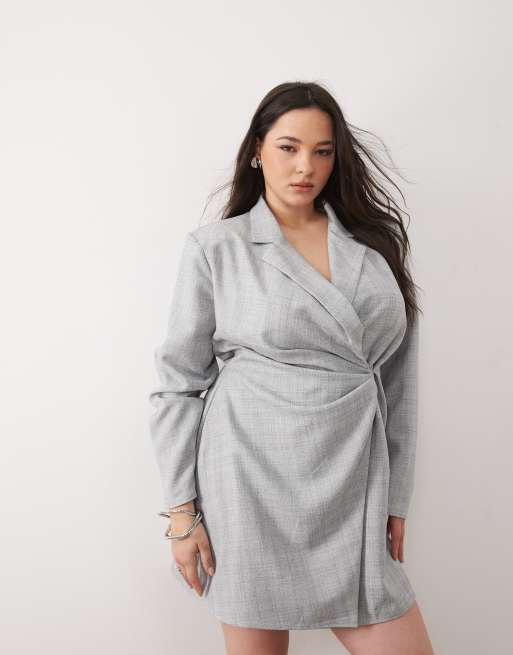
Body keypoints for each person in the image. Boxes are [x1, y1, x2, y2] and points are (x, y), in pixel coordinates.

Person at [148, 81, 435, 655]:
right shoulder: (217, 248)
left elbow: (398, 379)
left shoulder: (374, 247)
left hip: (354, 475)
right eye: (288, 147)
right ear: (258, 150)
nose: (306, 166)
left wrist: (396, 497)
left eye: (322, 151)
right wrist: (183, 515)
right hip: (249, 478)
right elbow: (179, 385)